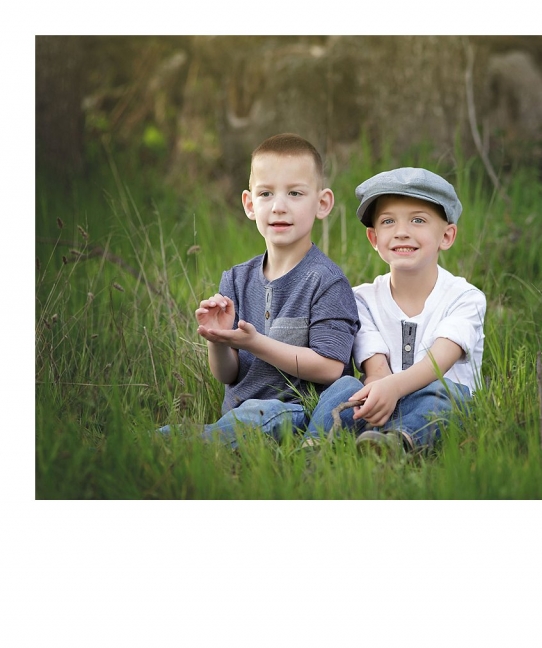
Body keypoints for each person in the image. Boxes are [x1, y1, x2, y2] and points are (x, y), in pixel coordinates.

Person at [158, 133, 359, 447]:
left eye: (295, 193)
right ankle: (168, 443)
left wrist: (255, 343)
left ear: (322, 203)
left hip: (295, 413)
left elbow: (331, 368)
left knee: (256, 418)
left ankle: (173, 444)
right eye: (266, 194)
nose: (278, 207)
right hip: (240, 413)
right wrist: (219, 340)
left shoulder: (326, 281)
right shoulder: (236, 279)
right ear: (250, 204)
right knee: (243, 419)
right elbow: (227, 375)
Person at [304, 166, 486, 453]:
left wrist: (394, 389)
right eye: (388, 222)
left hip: (436, 405)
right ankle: (315, 445)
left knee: (447, 393)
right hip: (379, 401)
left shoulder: (465, 298)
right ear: (374, 239)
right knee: (346, 386)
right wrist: (381, 391)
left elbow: (439, 362)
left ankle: (397, 444)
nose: (402, 232)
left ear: (447, 237)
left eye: (418, 220)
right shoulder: (361, 299)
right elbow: (375, 370)